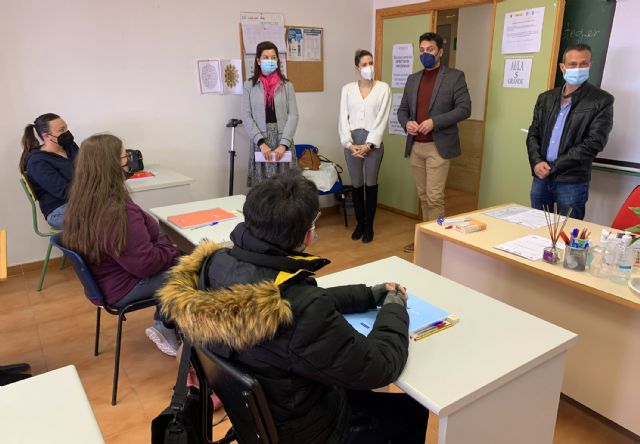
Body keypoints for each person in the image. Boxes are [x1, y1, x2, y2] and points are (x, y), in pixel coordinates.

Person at [159, 171, 428, 444]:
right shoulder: (300, 308)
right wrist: (395, 308)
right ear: (307, 234)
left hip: (257, 424)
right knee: (415, 411)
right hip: (313, 432)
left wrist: (367, 295)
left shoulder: (212, 266)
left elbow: (296, 304)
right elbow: (380, 367)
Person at [62, 134, 181, 356]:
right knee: (196, 270)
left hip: (105, 281)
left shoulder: (84, 198)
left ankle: (166, 322)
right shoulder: (116, 211)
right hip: (123, 286)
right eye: (125, 156)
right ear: (111, 165)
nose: (130, 160)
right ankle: (167, 327)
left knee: (180, 259)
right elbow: (145, 264)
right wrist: (170, 248)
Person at [397, 32, 471, 253]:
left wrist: (434, 122)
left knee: (435, 197)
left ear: (440, 51)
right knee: (422, 196)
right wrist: (407, 123)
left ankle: (437, 242)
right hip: (416, 145)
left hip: (438, 146)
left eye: (429, 50)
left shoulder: (455, 77)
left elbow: (464, 109)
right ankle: (425, 238)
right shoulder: (413, 79)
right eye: (422, 50)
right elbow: (402, 110)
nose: (425, 54)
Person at [527, 43, 614, 220]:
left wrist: (554, 166)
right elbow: (533, 133)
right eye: (573, 64)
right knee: (537, 227)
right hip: (541, 177)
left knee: (569, 233)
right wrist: (536, 162)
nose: (578, 68)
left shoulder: (601, 100)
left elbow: (594, 143)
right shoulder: (546, 98)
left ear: (589, 65)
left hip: (572, 180)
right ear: (562, 67)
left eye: (583, 64)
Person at [339, 49, 391, 243]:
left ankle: (369, 226)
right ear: (357, 67)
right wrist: (349, 143)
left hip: (373, 143)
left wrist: (369, 144)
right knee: (356, 184)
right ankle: (359, 223)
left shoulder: (383, 88)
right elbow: (343, 118)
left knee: (371, 184)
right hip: (352, 142)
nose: (368, 67)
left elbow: (382, 118)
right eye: (364, 64)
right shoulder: (347, 89)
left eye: (371, 63)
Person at [242, 41, 299, 187]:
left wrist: (284, 144)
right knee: (263, 189)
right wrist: (261, 143)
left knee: (286, 188)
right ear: (258, 61)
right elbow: (246, 116)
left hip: (282, 140)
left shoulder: (287, 85)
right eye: (266, 57)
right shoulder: (249, 86)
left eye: (273, 57)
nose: (270, 61)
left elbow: (293, 115)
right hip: (261, 142)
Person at [19, 113, 79, 229]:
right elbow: (65, 192)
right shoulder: (37, 162)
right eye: (62, 130)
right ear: (47, 136)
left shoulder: (70, 146)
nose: (67, 132)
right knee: (105, 215)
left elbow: (88, 171)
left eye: (66, 127)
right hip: (59, 210)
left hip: (81, 200)